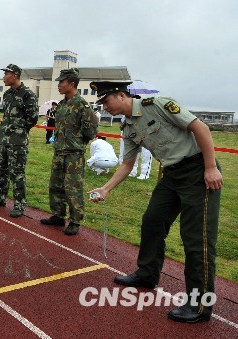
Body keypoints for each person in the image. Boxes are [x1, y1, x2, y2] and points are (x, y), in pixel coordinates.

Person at [88, 80, 222, 323]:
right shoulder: (127, 127)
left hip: (197, 170)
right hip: (171, 176)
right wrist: (106, 189)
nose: (105, 107)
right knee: (152, 222)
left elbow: (200, 127)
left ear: (121, 95)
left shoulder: (157, 104)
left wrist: (211, 167)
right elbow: (127, 164)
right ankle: (147, 274)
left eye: (107, 101)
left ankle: (199, 304)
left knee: (196, 238)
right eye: (102, 104)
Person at [39, 68, 98, 235]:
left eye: (61, 82)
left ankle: (75, 220)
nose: (58, 85)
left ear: (72, 84)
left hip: (74, 154)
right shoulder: (62, 105)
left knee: (73, 188)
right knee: (55, 185)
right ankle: (58, 215)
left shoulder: (82, 105)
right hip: (59, 151)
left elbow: (90, 131)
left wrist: (77, 142)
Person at [0, 64, 38, 218]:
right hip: (3, 140)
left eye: (6, 74)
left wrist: (19, 132)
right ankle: (0, 197)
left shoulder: (28, 95)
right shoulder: (7, 94)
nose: (3, 77)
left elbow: (32, 118)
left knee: (17, 174)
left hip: (18, 142)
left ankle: (20, 204)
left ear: (14, 75)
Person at [119, 115, 153, 179]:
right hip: (129, 123)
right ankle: (132, 171)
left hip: (145, 123)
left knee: (146, 152)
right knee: (130, 150)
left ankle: (144, 173)